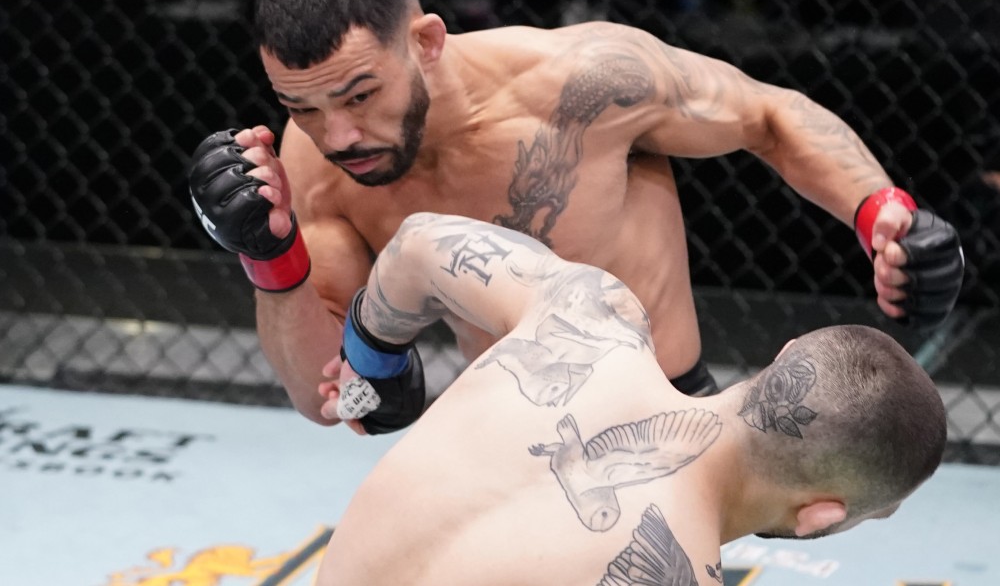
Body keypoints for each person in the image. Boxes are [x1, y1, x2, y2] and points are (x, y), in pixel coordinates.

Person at [187, 0, 965, 425]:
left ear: (425, 42)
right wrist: (271, 262)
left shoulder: (580, 82)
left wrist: (879, 212)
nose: (338, 134)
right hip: (510, 432)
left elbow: (769, 113)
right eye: (304, 107)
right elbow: (338, 399)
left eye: (360, 95)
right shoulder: (310, 160)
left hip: (667, 416)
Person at [313, 212, 947, 586]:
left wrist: (375, 366)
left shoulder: (593, 315)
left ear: (781, 356)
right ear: (822, 516)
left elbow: (420, 242)